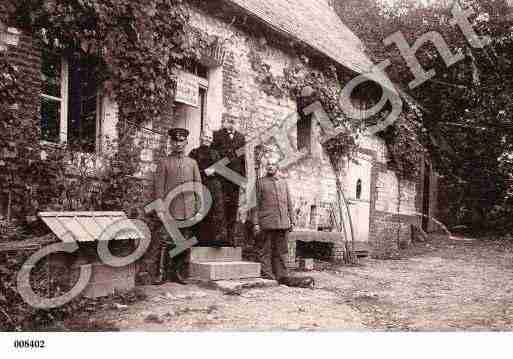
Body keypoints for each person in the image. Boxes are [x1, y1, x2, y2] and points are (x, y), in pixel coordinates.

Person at [251, 157, 314, 288]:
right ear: (265, 167)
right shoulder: (260, 183)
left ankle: (282, 276)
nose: (270, 166)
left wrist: (292, 219)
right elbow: (254, 204)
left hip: (282, 223)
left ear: (277, 167)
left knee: (281, 251)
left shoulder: (283, 183)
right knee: (266, 250)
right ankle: (268, 275)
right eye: (268, 164)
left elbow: (289, 203)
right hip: (266, 222)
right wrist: (256, 223)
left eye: (273, 164)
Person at [153, 127, 202, 284]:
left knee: (183, 242)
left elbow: (197, 187)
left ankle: (178, 273)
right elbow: (159, 188)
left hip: (188, 209)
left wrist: (199, 209)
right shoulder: (164, 162)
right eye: (175, 141)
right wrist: (160, 209)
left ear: (186, 142)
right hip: (170, 209)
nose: (178, 144)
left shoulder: (192, 163)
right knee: (166, 242)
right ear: (171, 142)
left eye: (181, 141)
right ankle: (161, 274)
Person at [189, 132, 228, 247]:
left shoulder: (216, 153)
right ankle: (199, 239)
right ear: (201, 137)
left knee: (216, 211)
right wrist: (203, 172)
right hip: (199, 183)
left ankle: (216, 240)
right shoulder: (194, 152)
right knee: (200, 209)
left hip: (214, 185)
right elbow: (190, 168)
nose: (208, 139)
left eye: (210, 137)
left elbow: (222, 170)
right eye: (206, 137)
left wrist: (215, 171)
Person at [212, 117, 246, 246]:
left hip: (235, 178)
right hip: (221, 177)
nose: (231, 123)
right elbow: (213, 155)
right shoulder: (217, 135)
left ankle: (231, 238)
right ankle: (219, 237)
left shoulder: (241, 138)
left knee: (233, 207)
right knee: (220, 207)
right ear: (224, 121)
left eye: (233, 121)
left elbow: (243, 159)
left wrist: (243, 178)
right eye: (229, 120)